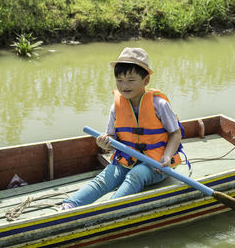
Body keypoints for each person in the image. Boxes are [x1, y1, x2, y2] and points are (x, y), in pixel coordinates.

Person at [61, 47, 185, 209]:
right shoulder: (116, 107)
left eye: (131, 80)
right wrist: (105, 142)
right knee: (106, 177)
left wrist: (167, 157)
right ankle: (70, 205)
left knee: (136, 174)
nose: (124, 86)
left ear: (146, 81)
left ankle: (108, 210)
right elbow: (111, 137)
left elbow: (175, 133)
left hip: (158, 164)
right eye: (119, 80)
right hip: (127, 160)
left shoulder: (159, 105)